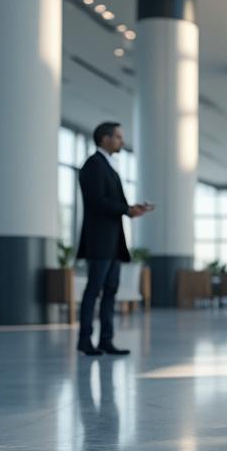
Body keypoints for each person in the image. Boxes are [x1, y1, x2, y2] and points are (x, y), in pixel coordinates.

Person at [76, 122, 153, 356]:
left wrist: (129, 209)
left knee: (110, 290)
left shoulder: (109, 166)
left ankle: (106, 340)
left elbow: (110, 202)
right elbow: (97, 201)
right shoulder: (93, 166)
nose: (121, 141)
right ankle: (85, 340)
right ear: (105, 139)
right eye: (118, 137)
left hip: (112, 241)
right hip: (99, 241)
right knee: (94, 290)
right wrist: (126, 209)